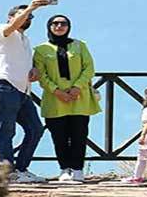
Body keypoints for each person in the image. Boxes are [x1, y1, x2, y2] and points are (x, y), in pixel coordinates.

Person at [0, 0, 51, 183]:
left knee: (35, 129)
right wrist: (31, 7)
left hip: (23, 91)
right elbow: (11, 28)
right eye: (25, 15)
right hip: (4, 85)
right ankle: (8, 171)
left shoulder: (25, 39)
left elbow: (22, 62)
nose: (28, 18)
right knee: (7, 130)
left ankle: (21, 169)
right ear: (10, 17)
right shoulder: (0, 30)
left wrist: (34, 71)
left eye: (31, 17)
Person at [33, 14, 101, 182]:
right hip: (55, 100)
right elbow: (41, 75)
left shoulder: (80, 45)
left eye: (63, 23)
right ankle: (64, 169)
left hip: (80, 97)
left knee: (79, 135)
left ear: (68, 26)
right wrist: (57, 91)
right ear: (49, 27)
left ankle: (78, 169)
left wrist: (77, 87)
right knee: (59, 137)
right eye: (55, 23)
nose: (59, 26)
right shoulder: (41, 49)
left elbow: (89, 68)